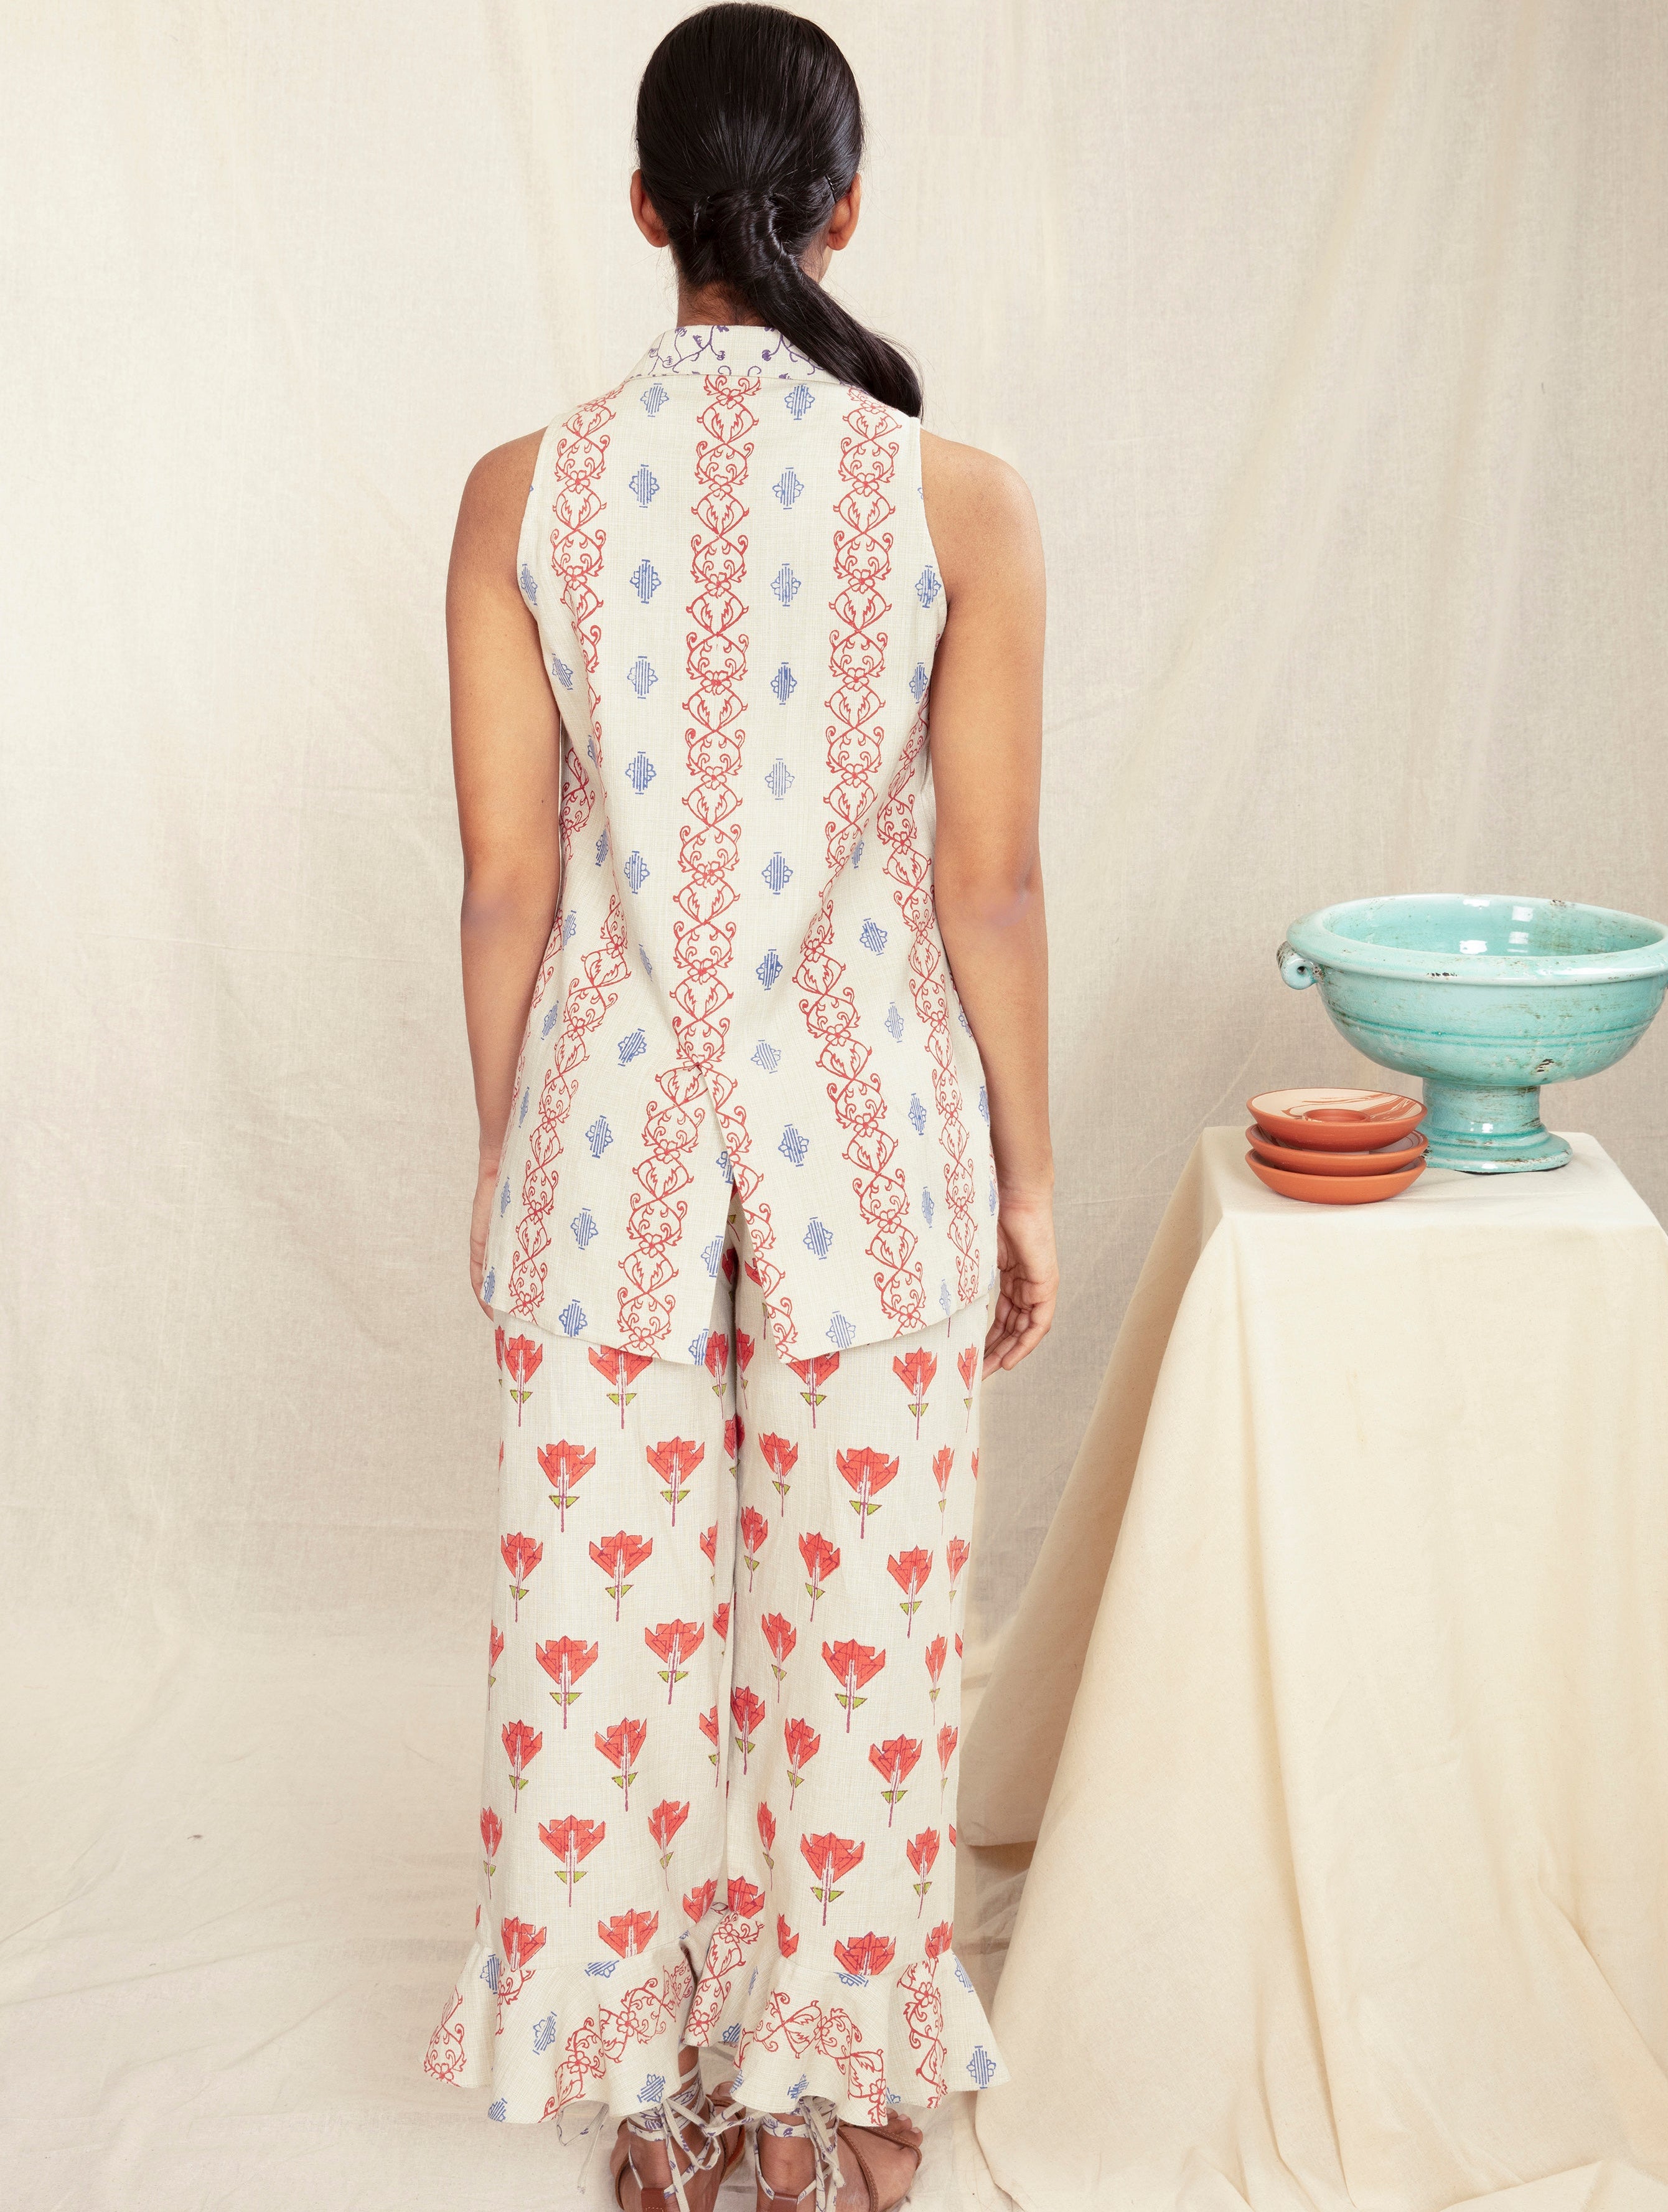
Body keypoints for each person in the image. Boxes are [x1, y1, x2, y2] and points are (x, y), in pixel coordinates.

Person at [423, 8, 1054, 2206]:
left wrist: (507, 1158)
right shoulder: (955, 499)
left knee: (599, 1631)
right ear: (842, 209)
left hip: (601, 1129)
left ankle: (654, 2093)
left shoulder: (520, 490)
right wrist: (1029, 1180)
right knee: (862, 1619)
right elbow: (988, 884)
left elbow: (506, 879)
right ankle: (831, 2091)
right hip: (872, 1133)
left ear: (643, 207)